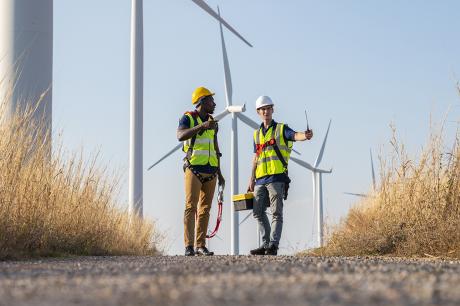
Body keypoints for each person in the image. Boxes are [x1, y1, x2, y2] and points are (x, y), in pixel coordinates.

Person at [247, 96, 313, 255]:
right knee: (257, 212)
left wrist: (306, 135)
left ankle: (273, 245)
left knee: (276, 213)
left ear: (272, 109)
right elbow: (255, 157)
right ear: (258, 112)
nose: (266, 111)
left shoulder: (281, 129)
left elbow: (295, 135)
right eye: (262, 109)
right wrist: (251, 179)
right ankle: (266, 243)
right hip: (260, 179)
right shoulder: (256, 134)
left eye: (268, 108)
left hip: (276, 178)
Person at [177, 86, 225, 256]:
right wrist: (202, 126)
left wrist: (220, 173)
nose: (214, 103)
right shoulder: (188, 118)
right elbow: (180, 136)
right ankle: (188, 246)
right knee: (191, 207)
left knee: (205, 209)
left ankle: (200, 245)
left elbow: (215, 146)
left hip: (211, 170)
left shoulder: (214, 122)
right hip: (194, 168)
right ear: (202, 101)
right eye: (211, 100)